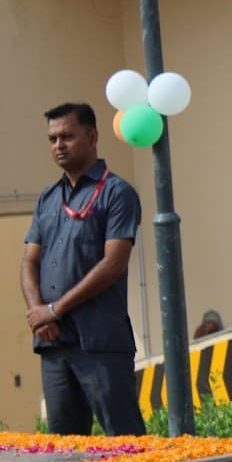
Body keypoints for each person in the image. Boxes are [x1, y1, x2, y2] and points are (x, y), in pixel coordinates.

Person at [20, 102, 147, 436]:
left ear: (92, 136)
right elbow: (30, 261)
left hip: (100, 343)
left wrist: (54, 309)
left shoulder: (118, 193)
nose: (58, 145)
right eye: (52, 139)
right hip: (55, 344)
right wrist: (38, 313)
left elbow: (112, 264)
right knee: (64, 450)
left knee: (125, 442)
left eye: (67, 136)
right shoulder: (48, 198)